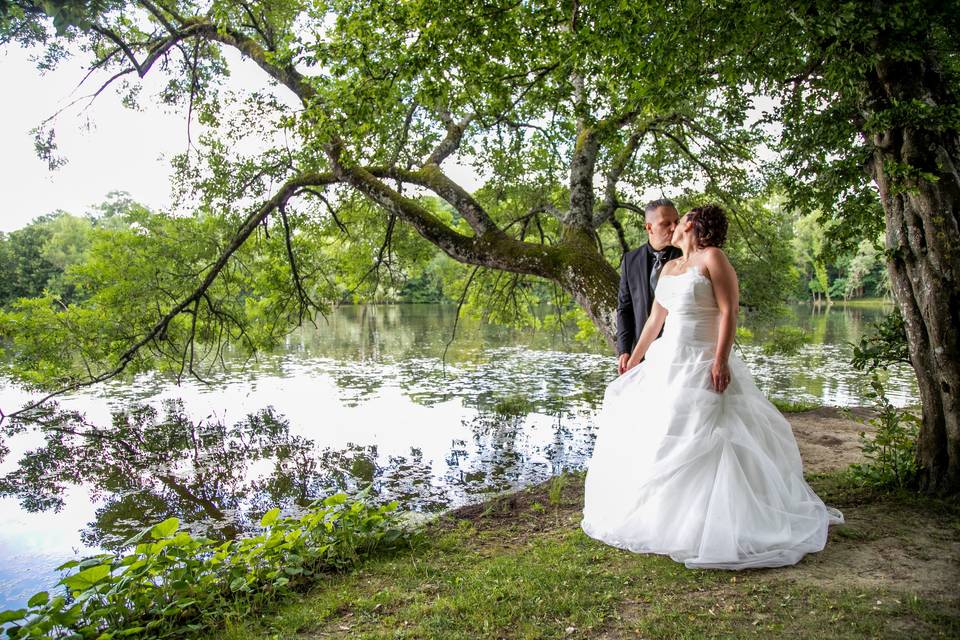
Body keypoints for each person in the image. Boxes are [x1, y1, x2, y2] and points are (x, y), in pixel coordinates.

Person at [581, 204, 843, 570]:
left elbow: (729, 311)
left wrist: (719, 360)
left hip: (703, 361)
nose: (675, 224)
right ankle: (667, 518)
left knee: (712, 435)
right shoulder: (671, 268)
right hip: (667, 362)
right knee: (662, 433)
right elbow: (655, 321)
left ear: (693, 226)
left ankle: (721, 521)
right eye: (669, 221)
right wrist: (634, 360)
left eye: (681, 218)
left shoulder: (713, 258)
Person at [616, 199, 682, 375]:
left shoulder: (689, 257)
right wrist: (624, 350)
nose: (674, 228)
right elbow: (625, 308)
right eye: (666, 223)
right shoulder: (630, 260)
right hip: (642, 354)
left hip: (680, 353)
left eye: (677, 221)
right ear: (649, 228)